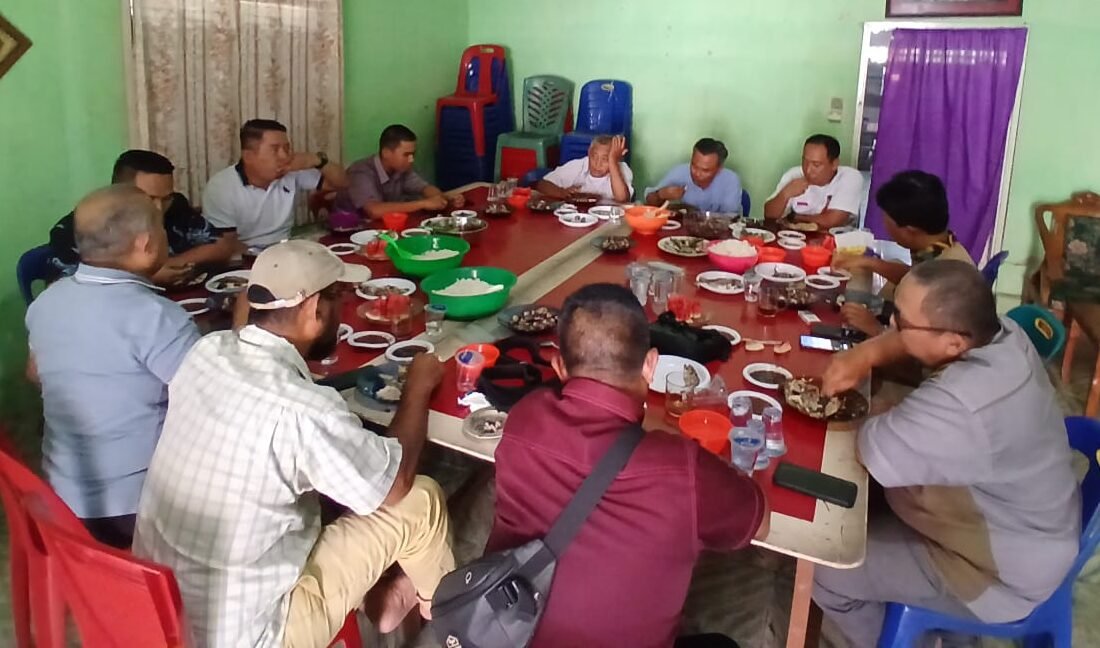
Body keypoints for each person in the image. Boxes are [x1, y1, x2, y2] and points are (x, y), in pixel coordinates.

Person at [133, 240, 454, 647]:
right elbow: (395, 486)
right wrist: (418, 388)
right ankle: (447, 620)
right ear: (314, 309)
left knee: (334, 484)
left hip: (163, 609)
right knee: (419, 500)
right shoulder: (303, 410)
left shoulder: (206, 351)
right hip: (254, 634)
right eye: (337, 298)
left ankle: (387, 600)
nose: (341, 310)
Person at [813, 260, 1080, 648]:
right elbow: (906, 349)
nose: (891, 329)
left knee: (828, 571)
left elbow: (868, 453)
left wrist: (884, 414)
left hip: (995, 573)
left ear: (953, 342)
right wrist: (865, 355)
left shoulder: (966, 402)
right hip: (1030, 524)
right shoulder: (1001, 332)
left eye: (900, 323)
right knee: (863, 505)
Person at [488, 283, 768, 648]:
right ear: (651, 365)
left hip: (510, 633)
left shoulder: (524, 418)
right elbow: (759, 525)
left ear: (558, 366)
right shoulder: (682, 468)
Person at [25, 184, 200, 548]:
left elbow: (35, 375)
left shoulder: (48, 301)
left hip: (63, 497)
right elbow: (210, 404)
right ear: (145, 243)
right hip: (134, 508)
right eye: (161, 227)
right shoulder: (156, 317)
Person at [46, 150, 240, 285]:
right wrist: (147, 276)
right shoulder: (81, 227)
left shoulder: (174, 206)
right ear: (120, 190)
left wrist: (170, 263)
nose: (158, 208)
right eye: (149, 198)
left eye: (165, 198)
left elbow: (221, 246)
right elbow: (64, 291)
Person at [835, 170, 976, 336]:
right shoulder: (941, 246)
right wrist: (868, 262)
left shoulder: (949, 278)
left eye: (886, 220)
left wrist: (876, 329)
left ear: (909, 231)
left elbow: (931, 345)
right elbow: (914, 275)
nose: (884, 224)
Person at [202, 119, 348, 249]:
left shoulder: (290, 171)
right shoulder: (220, 187)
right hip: (244, 258)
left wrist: (317, 161)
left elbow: (342, 183)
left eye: (286, 148)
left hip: (286, 249)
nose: (284, 156)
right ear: (248, 156)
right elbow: (226, 246)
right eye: (275, 149)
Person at [333, 124, 465, 219]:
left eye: (413, 154)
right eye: (406, 154)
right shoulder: (361, 172)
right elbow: (374, 210)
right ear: (386, 153)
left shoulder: (401, 169)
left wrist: (442, 198)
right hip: (350, 232)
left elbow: (424, 188)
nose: (411, 159)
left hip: (382, 229)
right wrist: (423, 203)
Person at [763, 134, 863, 228]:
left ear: (834, 164)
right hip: (794, 240)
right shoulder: (794, 174)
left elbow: (832, 221)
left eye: (816, 165)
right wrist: (785, 194)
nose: (808, 170)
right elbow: (769, 215)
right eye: (804, 161)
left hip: (836, 242)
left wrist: (794, 217)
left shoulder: (850, 177)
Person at [645, 138, 743, 213]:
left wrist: (692, 211)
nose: (697, 173)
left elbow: (731, 218)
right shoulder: (680, 172)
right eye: (694, 166)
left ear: (719, 169)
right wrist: (660, 195)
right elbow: (648, 202)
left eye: (705, 170)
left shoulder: (730, 180)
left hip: (717, 236)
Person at [536, 135, 633, 203]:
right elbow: (542, 184)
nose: (597, 164)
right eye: (594, 157)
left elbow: (622, 199)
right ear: (589, 153)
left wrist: (612, 161)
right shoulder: (579, 165)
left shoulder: (622, 169)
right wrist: (561, 192)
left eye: (605, 159)